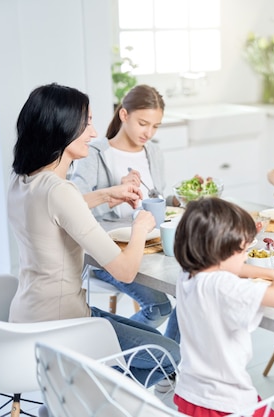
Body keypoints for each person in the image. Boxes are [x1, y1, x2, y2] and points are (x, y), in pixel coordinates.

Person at [7, 83, 180, 388]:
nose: (93, 132)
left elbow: (54, 212)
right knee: (170, 355)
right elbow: (125, 272)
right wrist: (141, 227)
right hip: (64, 325)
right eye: (86, 123)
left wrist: (105, 195)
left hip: (30, 314)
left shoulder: (24, 181)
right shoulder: (61, 191)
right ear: (61, 128)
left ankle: (81, 392)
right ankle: (88, 394)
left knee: (154, 339)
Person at [172, 197, 274, 416]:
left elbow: (236, 269)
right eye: (243, 251)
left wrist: (273, 274)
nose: (245, 257)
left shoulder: (188, 273)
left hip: (191, 393)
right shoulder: (222, 286)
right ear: (221, 251)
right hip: (225, 402)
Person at [69, 84, 178, 342]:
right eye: (143, 123)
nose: (149, 133)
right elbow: (75, 207)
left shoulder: (154, 152)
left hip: (153, 247)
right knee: (160, 307)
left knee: (189, 293)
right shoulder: (93, 153)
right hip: (110, 252)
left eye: (155, 126)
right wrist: (115, 190)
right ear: (124, 115)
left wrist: (180, 198)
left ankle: (165, 366)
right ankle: (112, 350)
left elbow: (157, 197)